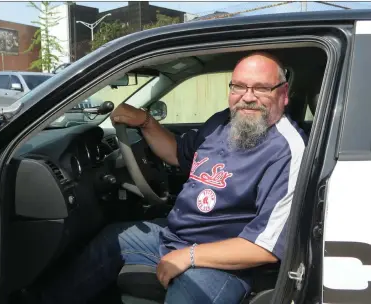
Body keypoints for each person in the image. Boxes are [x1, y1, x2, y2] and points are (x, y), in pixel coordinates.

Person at [39, 52, 307, 304]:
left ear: (283, 94)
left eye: (261, 88)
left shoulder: (286, 150)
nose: (247, 97)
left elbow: (265, 247)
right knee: (114, 238)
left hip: (228, 265)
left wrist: (189, 256)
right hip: (175, 236)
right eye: (238, 87)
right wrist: (145, 121)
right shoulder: (222, 122)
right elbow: (178, 154)